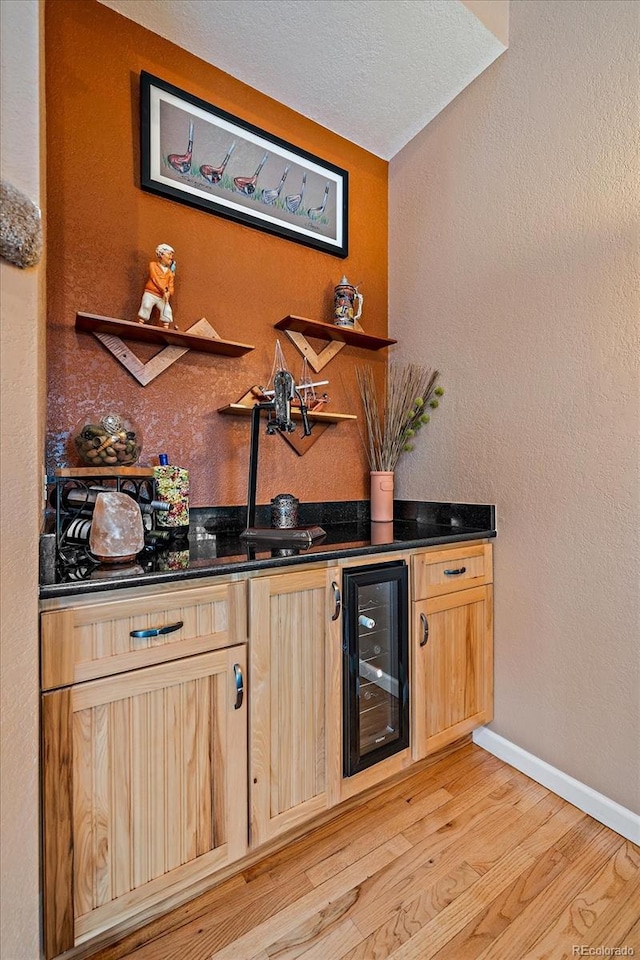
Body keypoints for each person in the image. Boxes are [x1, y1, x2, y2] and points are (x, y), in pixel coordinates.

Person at [137, 244, 176, 328]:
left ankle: (166, 329)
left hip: (161, 296)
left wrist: (169, 293)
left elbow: (171, 285)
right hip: (150, 293)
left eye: (172, 255)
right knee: (146, 306)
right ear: (161, 255)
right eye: (169, 254)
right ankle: (140, 324)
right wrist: (164, 290)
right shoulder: (153, 265)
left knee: (167, 311)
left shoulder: (170, 273)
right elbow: (155, 279)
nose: (171, 257)